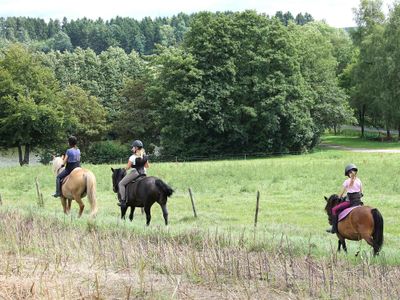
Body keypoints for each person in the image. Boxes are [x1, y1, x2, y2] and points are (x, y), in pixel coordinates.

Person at [327, 163, 363, 234]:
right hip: (358, 202)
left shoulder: (347, 181)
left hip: (350, 202)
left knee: (334, 209)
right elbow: (361, 192)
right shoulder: (359, 180)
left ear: (348, 174)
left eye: (350, 172)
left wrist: (339, 198)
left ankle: (334, 228)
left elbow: (341, 194)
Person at [118, 139, 149, 207]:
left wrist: (124, 169)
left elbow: (128, 167)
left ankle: (123, 201)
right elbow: (147, 166)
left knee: (121, 184)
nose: (132, 149)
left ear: (136, 148)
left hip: (135, 173)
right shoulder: (145, 156)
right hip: (144, 173)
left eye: (133, 147)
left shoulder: (132, 157)